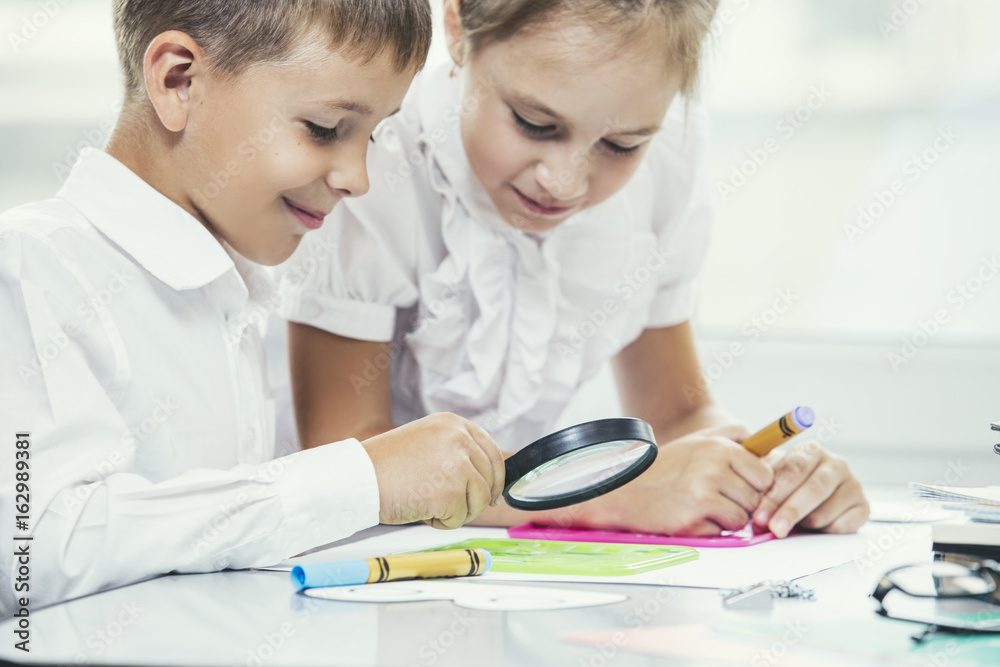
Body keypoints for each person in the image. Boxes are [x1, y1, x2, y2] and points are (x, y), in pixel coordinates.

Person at [282, 0, 869, 539]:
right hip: (324, 555)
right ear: (459, 27)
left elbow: (679, 414)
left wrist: (769, 474)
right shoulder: (372, 166)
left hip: (492, 567)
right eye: (535, 124)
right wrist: (607, 495)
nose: (565, 183)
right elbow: (353, 465)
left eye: (621, 145)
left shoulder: (665, 169)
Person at [0, 0, 506, 613]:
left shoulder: (232, 294)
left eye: (373, 135)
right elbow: (32, 557)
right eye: (324, 128)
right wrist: (361, 477)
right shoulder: (26, 267)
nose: (358, 178)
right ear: (177, 81)